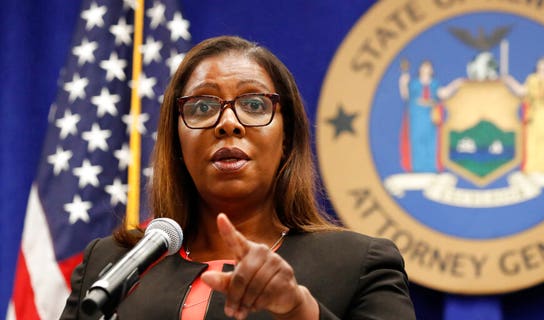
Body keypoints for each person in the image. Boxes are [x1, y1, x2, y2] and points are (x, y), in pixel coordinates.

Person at [60, 36, 416, 319]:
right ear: (177, 142)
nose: (228, 123)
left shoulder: (358, 263)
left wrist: (298, 312)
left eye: (255, 104)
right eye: (202, 107)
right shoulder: (112, 264)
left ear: (286, 137)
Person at [503, 56, 544, 173]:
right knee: (533, 139)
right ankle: (532, 166)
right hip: (534, 114)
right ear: (537, 65)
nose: (542, 66)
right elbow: (522, 91)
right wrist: (510, 81)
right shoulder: (531, 79)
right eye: (540, 64)